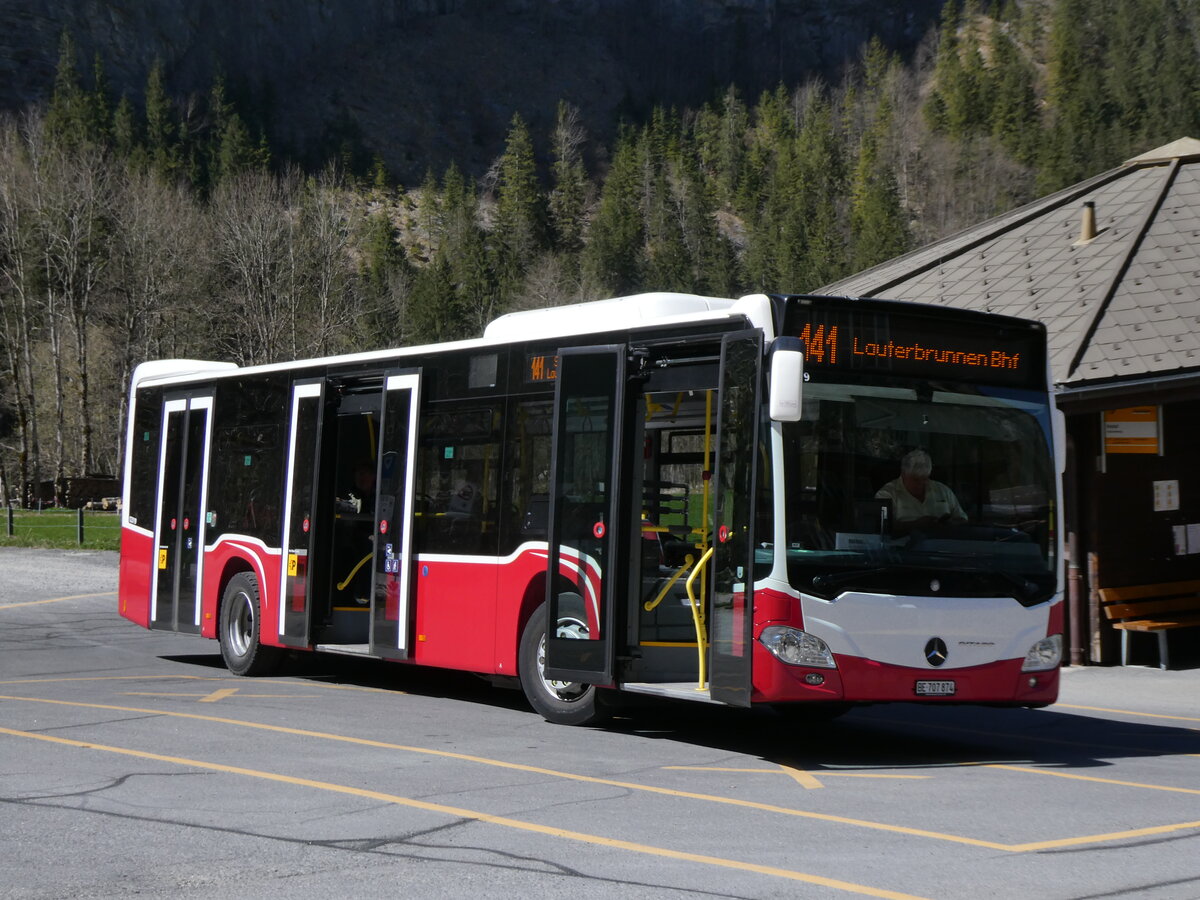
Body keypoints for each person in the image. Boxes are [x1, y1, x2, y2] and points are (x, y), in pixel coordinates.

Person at [875, 449, 966, 528]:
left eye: (925, 478)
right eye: (916, 479)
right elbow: (882, 527)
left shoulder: (943, 491)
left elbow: (963, 519)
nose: (921, 483)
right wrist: (916, 525)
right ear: (903, 474)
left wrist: (950, 524)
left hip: (942, 541)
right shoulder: (887, 494)